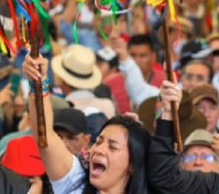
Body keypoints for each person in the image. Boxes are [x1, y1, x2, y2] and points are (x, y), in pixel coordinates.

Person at [23, 54, 153, 194]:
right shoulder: (76, 182)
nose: (98, 150)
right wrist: (38, 81)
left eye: (112, 147)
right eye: (98, 141)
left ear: (132, 164)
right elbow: (46, 139)